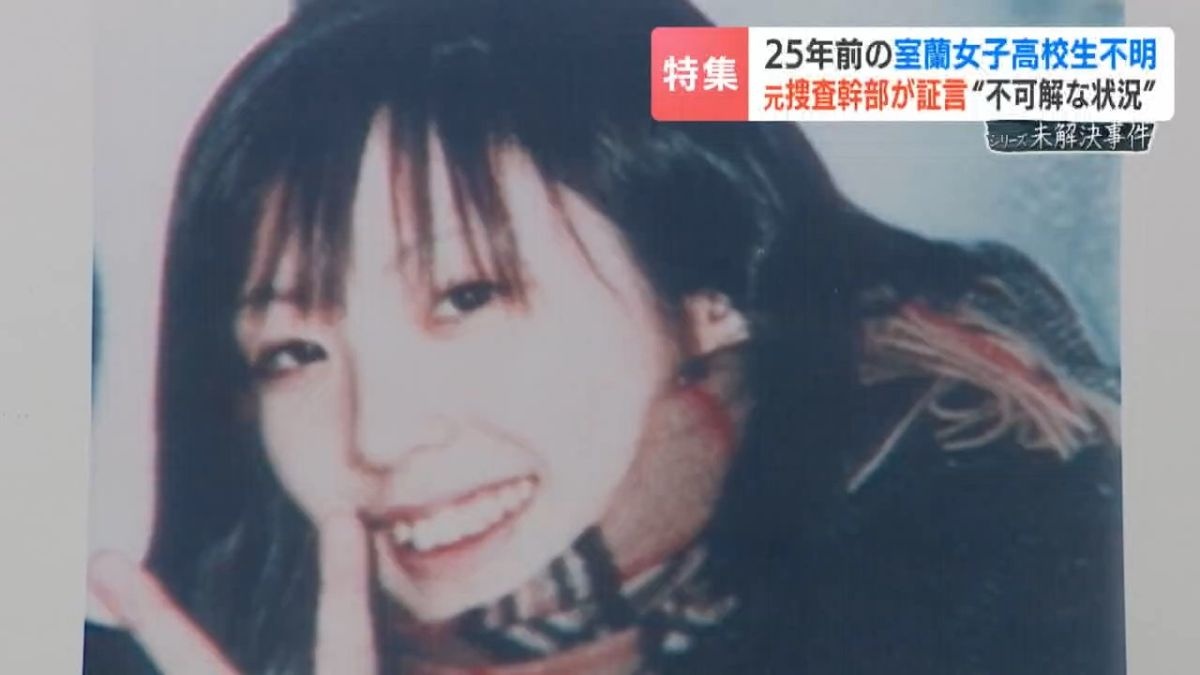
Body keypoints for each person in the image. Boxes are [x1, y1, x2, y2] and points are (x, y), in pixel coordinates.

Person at [84, 0, 1124, 673]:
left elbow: (1113, 83)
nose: (379, 435)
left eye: (467, 296)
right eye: (293, 352)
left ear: (710, 294)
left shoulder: (1038, 595)